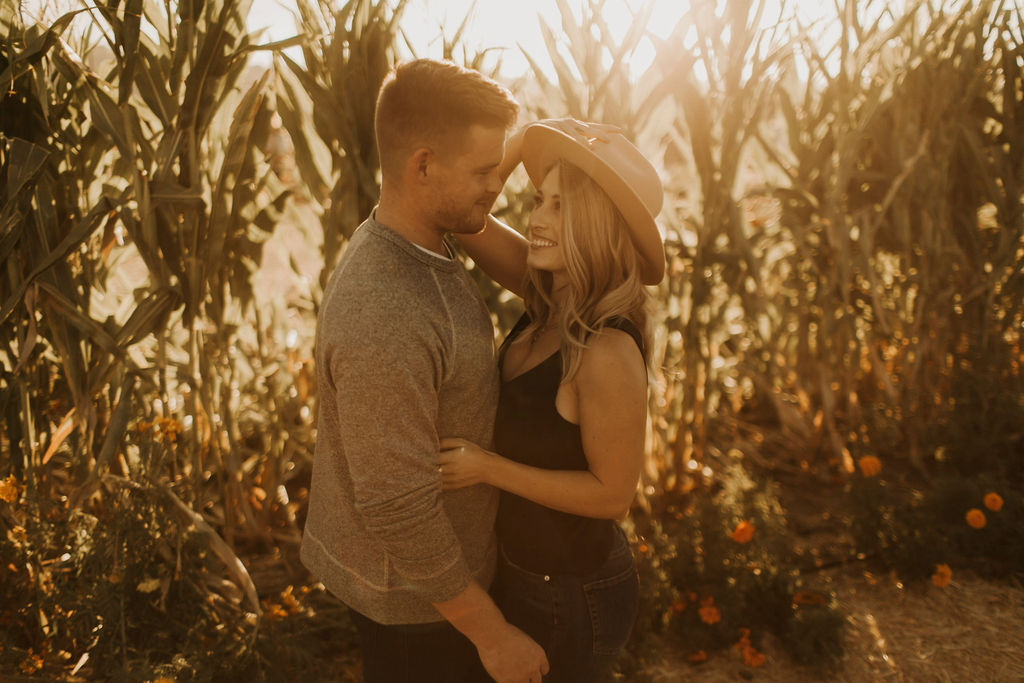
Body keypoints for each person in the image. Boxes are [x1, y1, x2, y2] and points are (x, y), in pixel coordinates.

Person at [300, 58, 549, 683]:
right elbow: (396, 507)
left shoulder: (424, 236)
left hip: (437, 594)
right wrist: (492, 636)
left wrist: (536, 141)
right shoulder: (385, 311)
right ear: (423, 165)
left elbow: (536, 280)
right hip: (420, 609)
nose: (497, 186)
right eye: (485, 173)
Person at [437, 118, 665, 682]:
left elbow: (613, 495)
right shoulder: (547, 299)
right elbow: (463, 219)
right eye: (540, 200)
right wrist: (522, 145)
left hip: (573, 589)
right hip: (522, 573)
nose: (537, 220)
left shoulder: (606, 348)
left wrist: (487, 468)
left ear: (596, 227)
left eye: (562, 207)